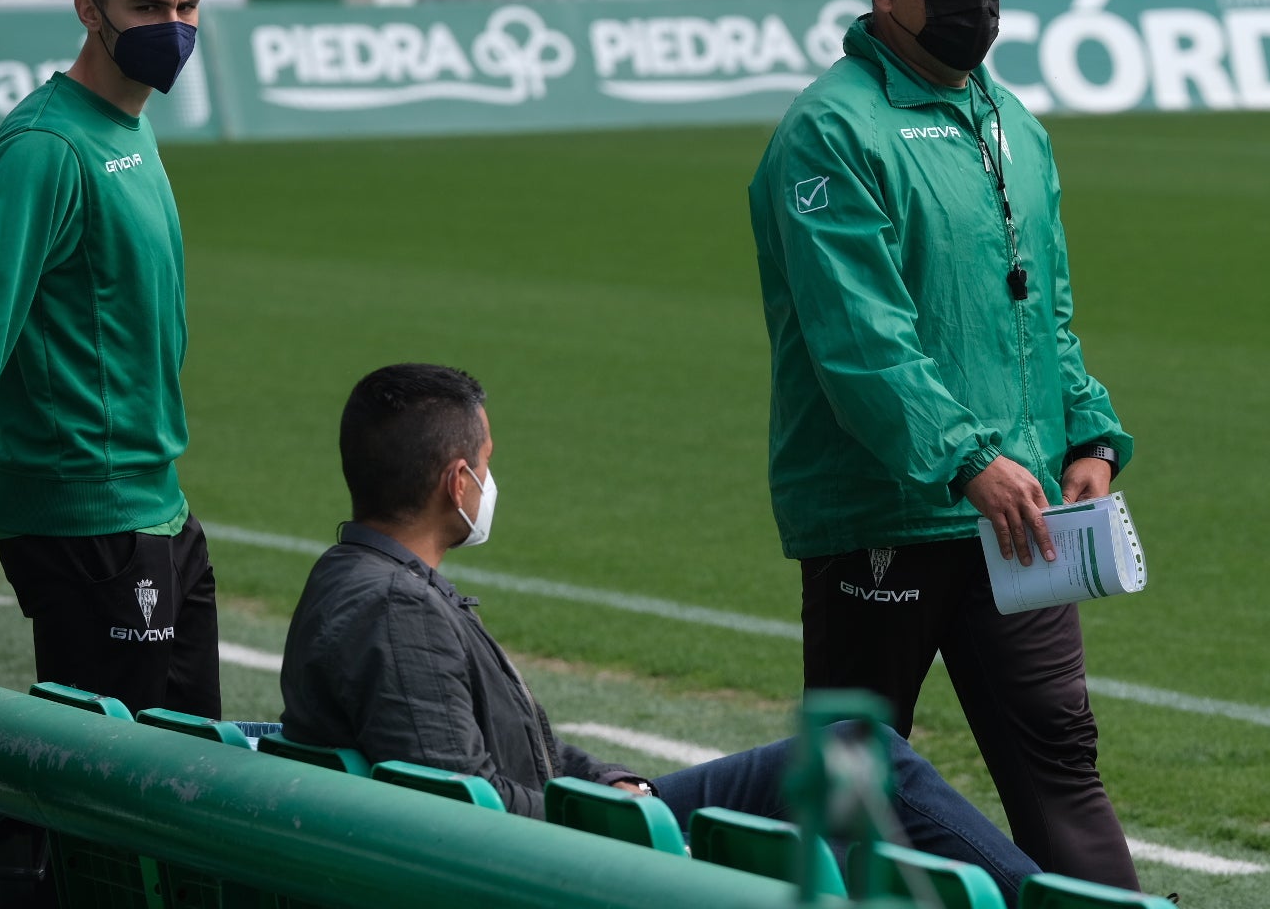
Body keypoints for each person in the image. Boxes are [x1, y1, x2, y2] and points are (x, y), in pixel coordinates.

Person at [280, 363, 1040, 905]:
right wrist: (614, 809)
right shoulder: (393, 610)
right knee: (858, 792)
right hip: (553, 856)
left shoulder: (365, 578)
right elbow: (458, 806)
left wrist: (609, 778)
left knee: (852, 761)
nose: (488, 483)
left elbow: (494, 758)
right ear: (457, 483)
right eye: (485, 464)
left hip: (569, 819)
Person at [747, 0, 1139, 889]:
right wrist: (971, 457)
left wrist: (1089, 433)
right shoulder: (830, 134)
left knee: (1061, 764)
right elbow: (861, 342)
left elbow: (1040, 310)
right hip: (884, 513)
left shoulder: (1012, 122)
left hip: (1019, 516)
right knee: (851, 778)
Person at [0, 0, 218, 718]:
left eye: (187, 8)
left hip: (156, 505)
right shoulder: (47, 145)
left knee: (191, 774)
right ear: (90, 10)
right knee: (107, 800)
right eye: (148, 9)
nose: (172, 29)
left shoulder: (130, 124)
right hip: (85, 518)